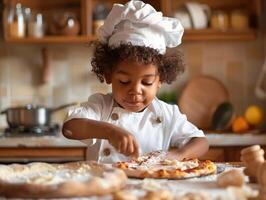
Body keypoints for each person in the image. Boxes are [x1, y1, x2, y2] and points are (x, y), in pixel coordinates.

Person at [62, 0, 209, 163]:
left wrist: (179, 155)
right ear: (109, 75)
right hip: (104, 185)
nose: (135, 90)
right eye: (124, 81)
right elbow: (69, 128)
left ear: (160, 80)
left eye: (147, 82)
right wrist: (110, 131)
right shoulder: (101, 107)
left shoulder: (167, 114)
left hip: (152, 186)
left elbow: (201, 142)